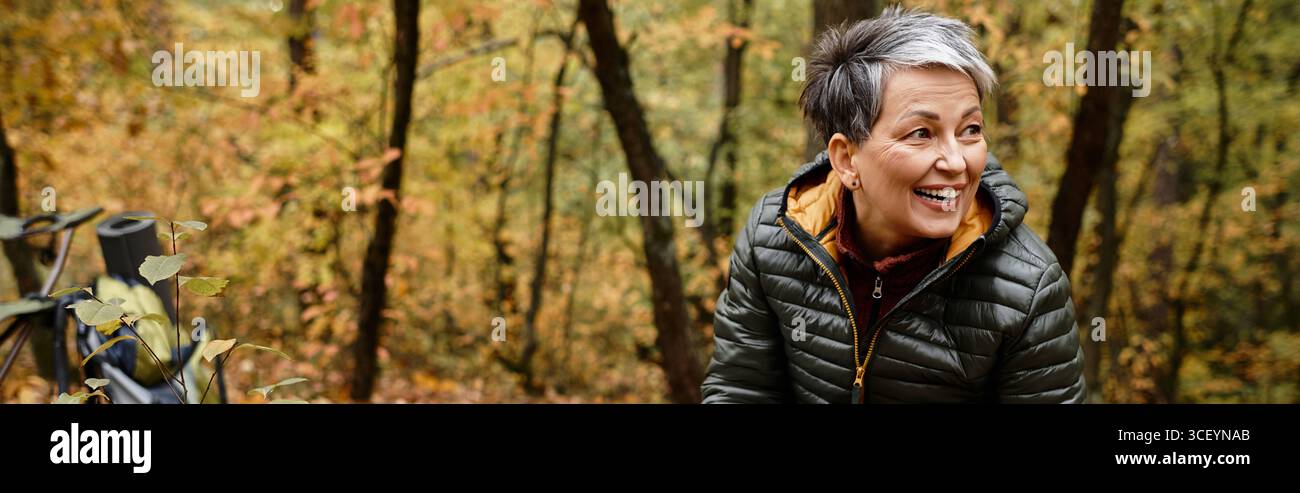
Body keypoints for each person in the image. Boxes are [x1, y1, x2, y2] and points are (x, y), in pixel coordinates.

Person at [702, 7, 1086, 403]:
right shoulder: (773, 238)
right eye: (921, 133)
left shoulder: (1029, 287)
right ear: (847, 160)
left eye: (970, 130)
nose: (957, 162)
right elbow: (740, 389)